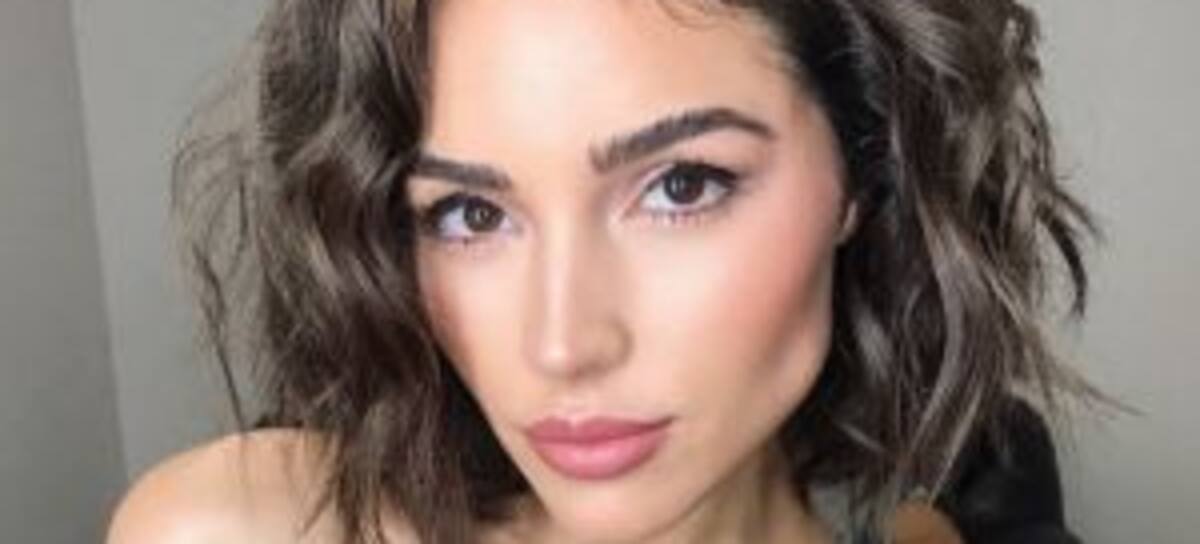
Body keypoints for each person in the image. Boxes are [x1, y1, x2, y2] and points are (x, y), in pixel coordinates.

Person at [107, 0, 1099, 542]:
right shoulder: (239, 530)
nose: (562, 344)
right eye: (470, 214)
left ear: (865, 172)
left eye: (682, 187)